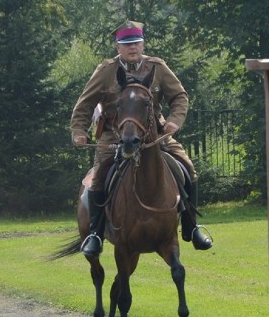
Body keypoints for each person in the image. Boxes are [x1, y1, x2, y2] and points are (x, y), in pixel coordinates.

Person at [70, 21, 212, 256]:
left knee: (187, 167)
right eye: (126, 44)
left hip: (153, 134)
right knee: (98, 179)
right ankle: (95, 233)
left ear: (143, 43)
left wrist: (174, 121)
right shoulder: (105, 71)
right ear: (118, 47)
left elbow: (179, 96)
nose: (132, 48)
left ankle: (191, 226)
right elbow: (84, 104)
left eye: (135, 43)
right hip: (113, 136)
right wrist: (78, 131)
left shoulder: (157, 67)